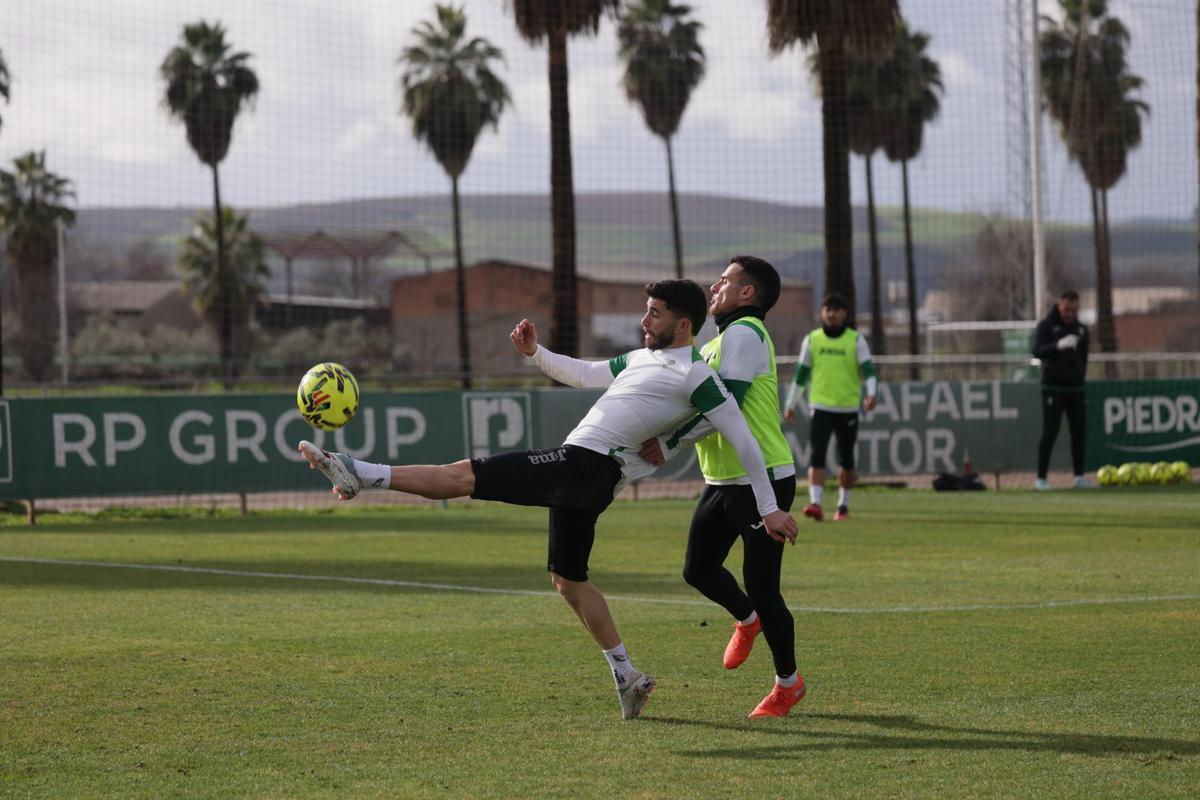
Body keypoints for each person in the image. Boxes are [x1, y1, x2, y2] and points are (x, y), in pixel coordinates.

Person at [299, 279, 798, 721]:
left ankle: (360, 472)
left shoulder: (695, 375)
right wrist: (537, 353)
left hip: (583, 466)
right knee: (568, 579)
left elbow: (744, 437)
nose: (644, 320)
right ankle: (628, 676)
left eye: (655, 313)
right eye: (645, 310)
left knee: (468, 475)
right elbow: (583, 372)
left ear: (683, 323)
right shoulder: (640, 358)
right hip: (587, 475)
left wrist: (768, 506)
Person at [640, 256, 805, 718]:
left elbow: (723, 406)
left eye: (727, 281)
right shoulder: (721, 340)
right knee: (698, 569)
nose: (715, 286)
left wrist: (670, 442)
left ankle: (788, 685)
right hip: (722, 479)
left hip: (763, 478)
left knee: (764, 586)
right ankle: (747, 619)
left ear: (747, 293)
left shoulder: (746, 334)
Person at [783, 293, 877, 522]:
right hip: (820, 407)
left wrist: (872, 392)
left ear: (845, 313)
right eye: (827, 308)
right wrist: (791, 403)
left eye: (836, 309)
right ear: (821, 312)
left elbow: (868, 370)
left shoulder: (855, 340)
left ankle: (843, 505)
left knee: (846, 460)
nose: (831, 313)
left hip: (848, 408)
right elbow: (801, 375)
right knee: (817, 455)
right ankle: (815, 503)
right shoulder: (812, 340)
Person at [1031, 290, 1092, 490]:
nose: (1070, 314)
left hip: (1076, 389)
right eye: (1067, 309)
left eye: (1074, 310)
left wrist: (1080, 375)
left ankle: (1079, 476)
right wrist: (1057, 346)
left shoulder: (1081, 330)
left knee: (1079, 432)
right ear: (1059, 305)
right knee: (1050, 432)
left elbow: (1084, 357)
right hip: (1053, 388)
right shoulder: (1046, 326)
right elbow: (1037, 351)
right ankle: (1041, 478)